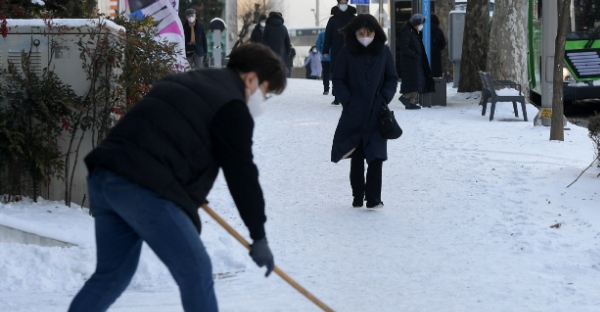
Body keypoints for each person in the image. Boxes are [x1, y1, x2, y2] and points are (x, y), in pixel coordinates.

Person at [67, 43, 286, 312]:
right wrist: (259, 235)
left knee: (111, 276)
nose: (262, 100)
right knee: (196, 270)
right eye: (265, 92)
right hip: (142, 189)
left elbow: (166, 135)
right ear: (251, 79)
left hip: (106, 177)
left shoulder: (185, 80)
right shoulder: (232, 106)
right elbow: (242, 174)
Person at [331, 14, 398, 209]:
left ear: (376, 32)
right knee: (357, 156)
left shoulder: (384, 52)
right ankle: (358, 195)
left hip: (377, 113)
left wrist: (384, 97)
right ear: (354, 34)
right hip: (355, 112)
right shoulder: (346, 52)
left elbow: (392, 78)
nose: (365, 36)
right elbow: (338, 79)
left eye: (369, 33)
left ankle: (374, 198)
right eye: (361, 33)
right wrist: (348, 101)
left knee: (377, 156)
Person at [398, 14, 435, 110]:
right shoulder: (407, 32)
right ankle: (405, 97)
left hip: (415, 61)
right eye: (420, 23)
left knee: (418, 81)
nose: (421, 25)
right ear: (416, 23)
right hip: (410, 62)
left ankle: (411, 102)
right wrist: (414, 55)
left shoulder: (413, 32)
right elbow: (404, 47)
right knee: (415, 82)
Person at [323, 0, 356, 105]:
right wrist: (325, 50)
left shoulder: (354, 19)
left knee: (350, 72)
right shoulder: (332, 20)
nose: (343, 5)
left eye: (345, 2)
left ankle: (349, 95)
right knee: (337, 72)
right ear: (338, 4)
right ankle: (337, 96)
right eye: (341, 2)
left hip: (351, 49)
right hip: (336, 49)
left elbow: (359, 33)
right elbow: (328, 35)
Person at [430, 14, 447, 78]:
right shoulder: (439, 31)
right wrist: (437, 49)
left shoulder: (424, 30)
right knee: (436, 75)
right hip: (436, 56)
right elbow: (443, 43)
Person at [315, 30, 332, 95]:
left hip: (325, 58)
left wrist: (322, 51)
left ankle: (326, 89)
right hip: (336, 57)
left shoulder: (322, 33)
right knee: (336, 74)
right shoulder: (337, 32)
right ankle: (334, 90)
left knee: (326, 74)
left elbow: (317, 44)